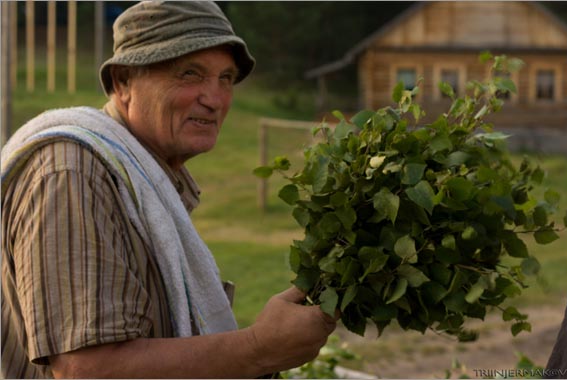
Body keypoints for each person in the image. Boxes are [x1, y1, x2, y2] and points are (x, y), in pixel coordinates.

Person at [1, 2, 337, 378]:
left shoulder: (141, 175)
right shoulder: (72, 172)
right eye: (189, 74)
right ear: (123, 83)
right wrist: (259, 349)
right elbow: (87, 369)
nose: (214, 99)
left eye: (225, 78)